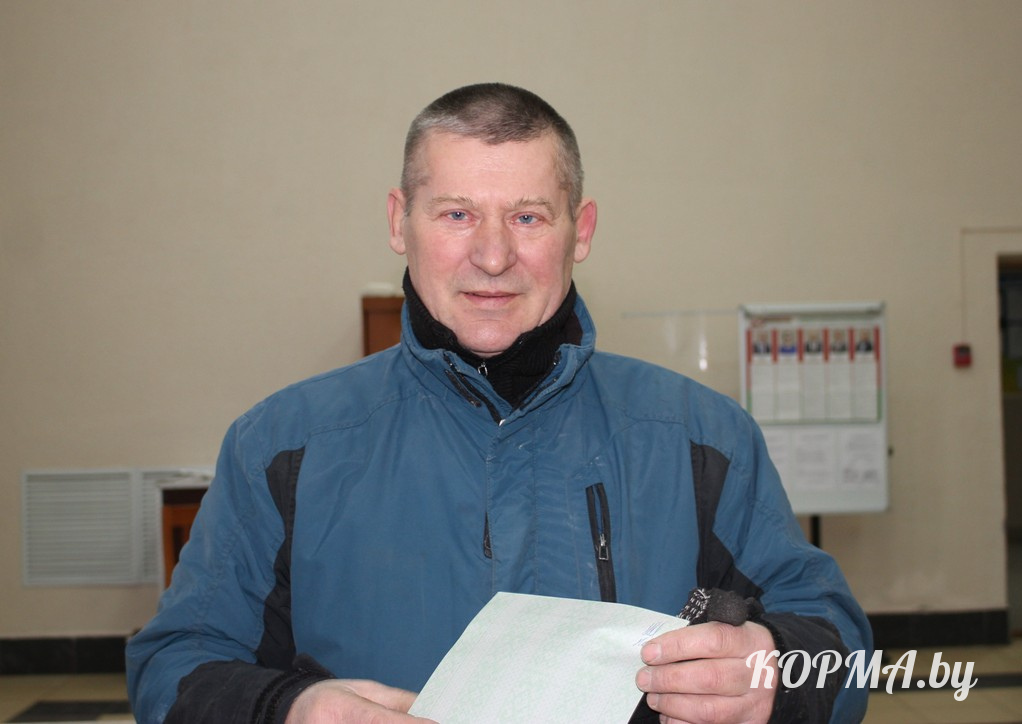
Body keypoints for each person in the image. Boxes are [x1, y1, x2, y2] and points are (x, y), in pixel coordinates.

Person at [126, 83, 871, 723]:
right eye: (456, 214)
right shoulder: (281, 446)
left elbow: (842, 650)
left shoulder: (703, 439)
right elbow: (172, 666)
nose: (491, 256)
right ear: (398, 222)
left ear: (580, 230)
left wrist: (774, 675)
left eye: (527, 217)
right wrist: (288, 708)